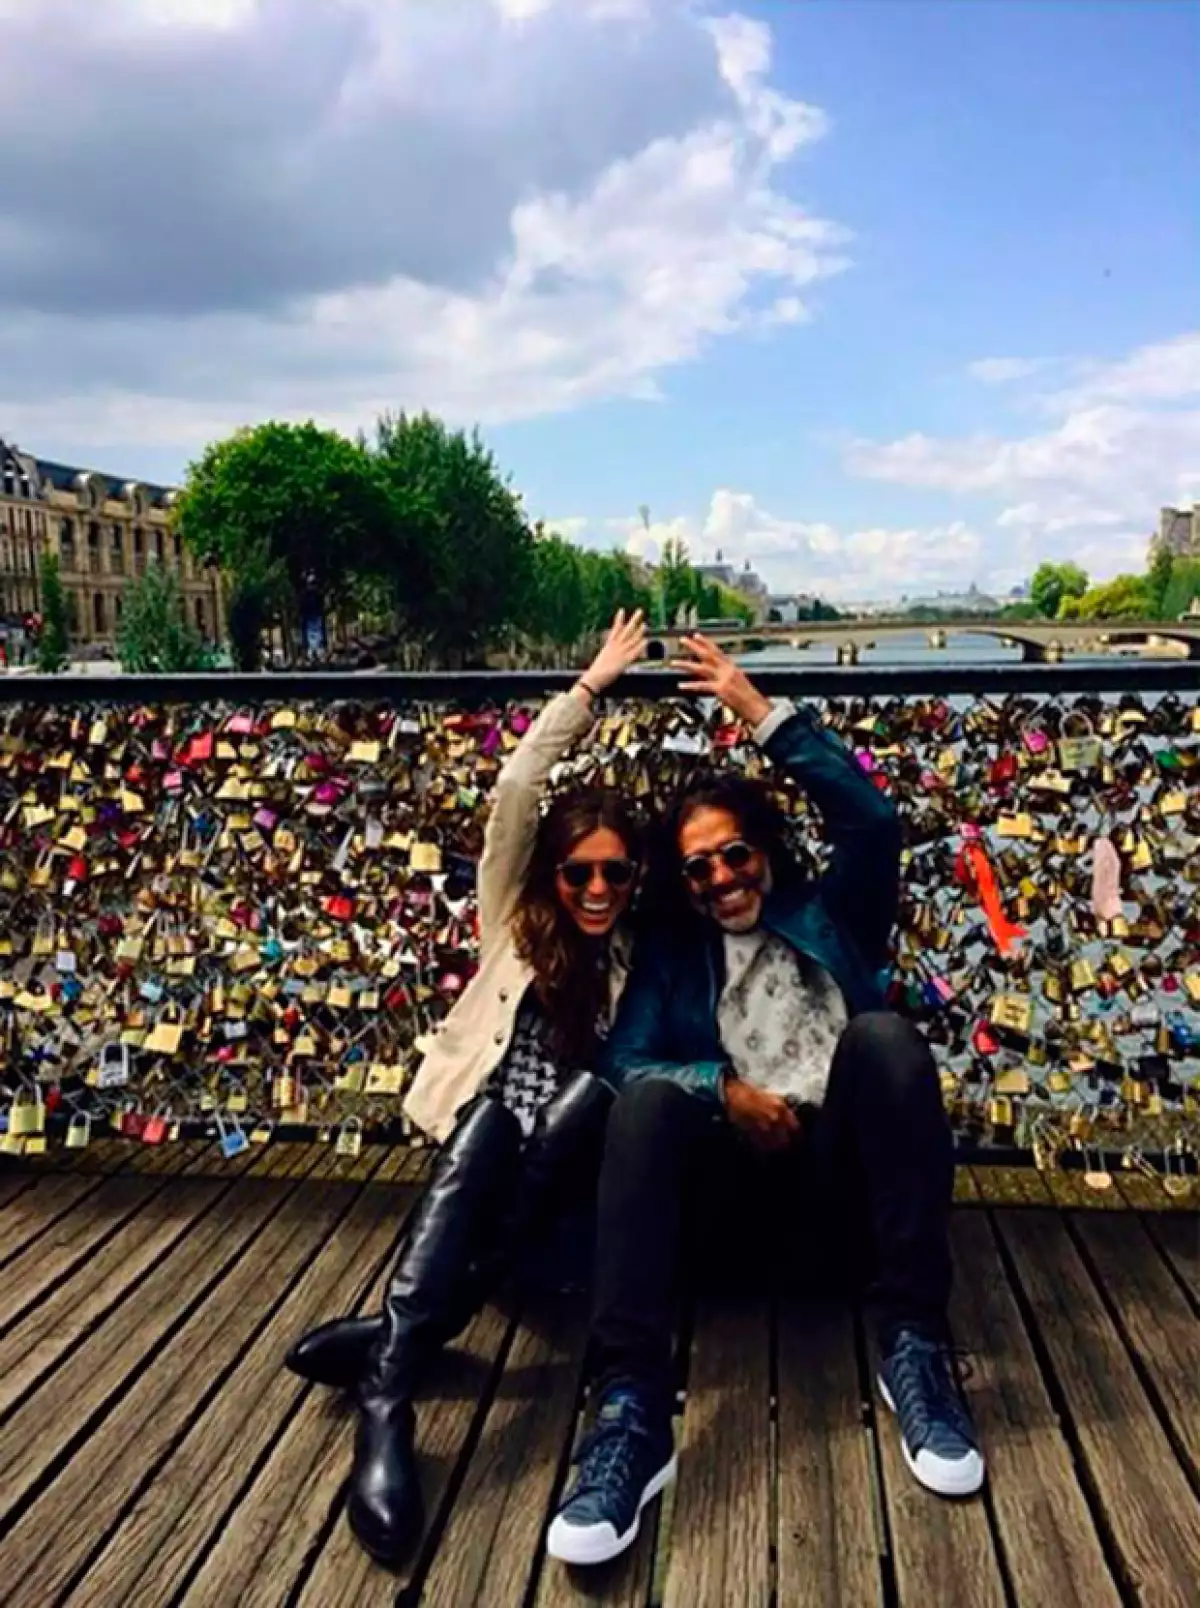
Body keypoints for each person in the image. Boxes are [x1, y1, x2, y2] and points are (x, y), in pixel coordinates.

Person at [547, 636, 983, 1569]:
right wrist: (721, 1088)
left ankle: (914, 1342)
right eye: (696, 869)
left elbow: (871, 823)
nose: (719, 879)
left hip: (839, 1206)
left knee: (888, 1039)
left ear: (764, 850)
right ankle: (630, 1408)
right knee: (647, 1103)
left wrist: (757, 707)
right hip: (730, 1209)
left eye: (733, 854)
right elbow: (625, 1062)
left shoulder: (834, 912)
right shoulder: (672, 955)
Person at [285, 610, 648, 1565]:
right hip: (478, 1189)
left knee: (583, 1106)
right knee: (487, 1122)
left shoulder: (644, 966)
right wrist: (590, 687)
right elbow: (519, 789)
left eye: (616, 872)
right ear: (553, 874)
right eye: (580, 872)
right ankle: (390, 1402)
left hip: (560, 1228)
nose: (598, 889)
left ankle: (392, 1346)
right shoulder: (512, 927)